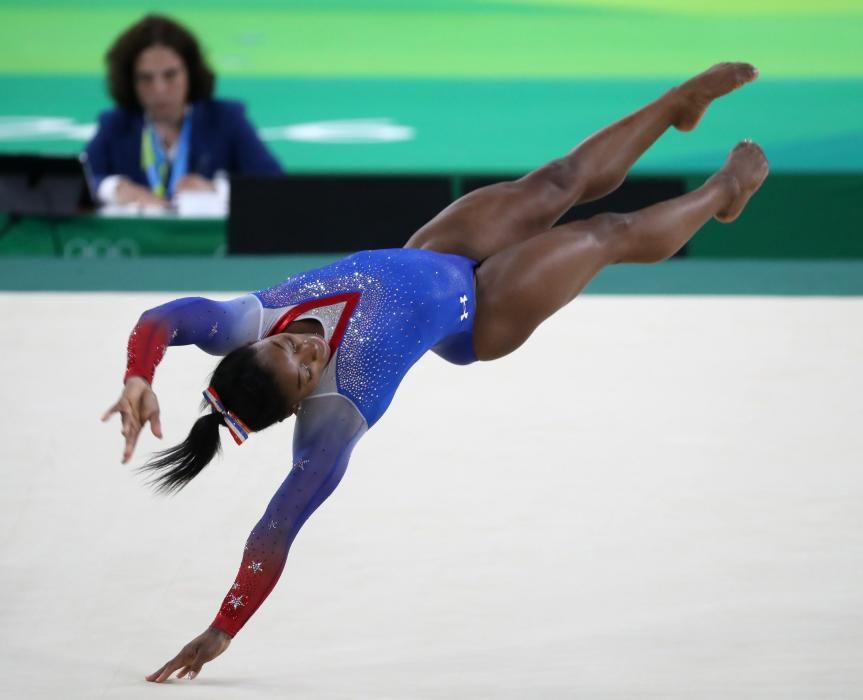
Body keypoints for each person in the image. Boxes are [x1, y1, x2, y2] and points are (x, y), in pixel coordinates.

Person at [103, 62, 768, 682]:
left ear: (252, 344)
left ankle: (677, 105)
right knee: (604, 234)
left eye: (288, 351)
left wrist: (139, 375)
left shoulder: (247, 317)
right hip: (481, 313)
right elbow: (274, 529)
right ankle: (723, 192)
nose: (308, 353)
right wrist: (224, 627)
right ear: (305, 400)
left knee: (558, 180)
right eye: (305, 372)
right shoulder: (333, 422)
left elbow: (166, 318)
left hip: (436, 250)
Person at [84, 14, 282, 210]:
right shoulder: (116, 124)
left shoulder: (225, 119)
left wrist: (216, 189)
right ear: (130, 81)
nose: (159, 88)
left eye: (170, 75)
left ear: (191, 73)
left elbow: (274, 183)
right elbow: (80, 180)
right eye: (146, 78)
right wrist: (114, 188)